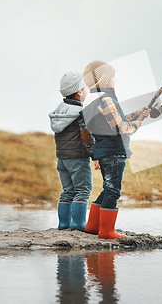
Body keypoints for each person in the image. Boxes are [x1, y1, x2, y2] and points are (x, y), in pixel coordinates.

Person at [82, 60, 150, 239]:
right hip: (113, 152)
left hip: (103, 151)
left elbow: (110, 119)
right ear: (104, 81)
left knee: (107, 188)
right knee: (113, 191)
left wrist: (137, 114)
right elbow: (120, 128)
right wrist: (137, 124)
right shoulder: (106, 99)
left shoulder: (93, 100)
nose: (114, 80)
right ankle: (106, 231)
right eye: (113, 77)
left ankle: (92, 226)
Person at [49, 71, 94, 231]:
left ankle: (63, 224)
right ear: (79, 92)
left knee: (68, 191)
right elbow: (85, 134)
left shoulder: (59, 111)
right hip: (78, 158)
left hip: (62, 159)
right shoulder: (80, 113)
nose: (87, 90)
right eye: (85, 87)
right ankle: (79, 224)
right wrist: (93, 154)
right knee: (83, 190)